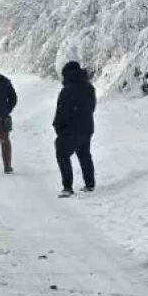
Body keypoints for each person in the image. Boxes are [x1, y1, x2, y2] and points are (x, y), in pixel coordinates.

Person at [53, 61, 96, 197]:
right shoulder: (89, 88)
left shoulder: (67, 90)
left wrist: (58, 127)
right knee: (84, 154)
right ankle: (90, 184)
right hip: (87, 127)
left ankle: (67, 186)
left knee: (62, 154)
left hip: (70, 130)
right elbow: (92, 107)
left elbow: (61, 112)